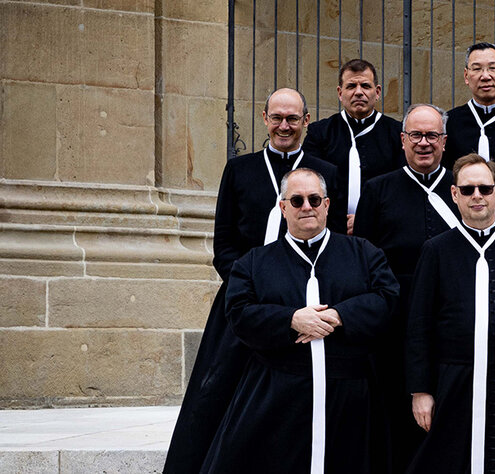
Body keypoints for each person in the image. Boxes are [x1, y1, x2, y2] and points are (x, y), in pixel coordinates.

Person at [168, 88, 342, 474]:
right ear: (264, 119)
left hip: (307, 302)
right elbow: (224, 244)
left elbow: (336, 242)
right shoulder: (240, 170)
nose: (284, 126)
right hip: (243, 301)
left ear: (306, 122)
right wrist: (252, 289)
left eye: (292, 119)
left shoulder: (325, 173)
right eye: (277, 117)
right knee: (217, 394)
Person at [200, 168, 401, 473]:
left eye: (314, 199)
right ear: (282, 207)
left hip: (349, 396)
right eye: (296, 200)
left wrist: (338, 315)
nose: (307, 206)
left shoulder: (363, 253)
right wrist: (291, 319)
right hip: (278, 396)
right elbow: (239, 313)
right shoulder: (254, 263)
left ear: (327, 204)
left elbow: (388, 298)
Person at [405, 155, 495, 473]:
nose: (477, 196)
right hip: (453, 381)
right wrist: (421, 390)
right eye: (468, 189)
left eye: (485, 189)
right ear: (455, 194)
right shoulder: (436, 249)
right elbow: (419, 323)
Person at [349, 103, 463, 467]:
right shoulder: (379, 189)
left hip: (452, 321)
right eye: (416, 135)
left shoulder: (463, 190)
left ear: (445, 142)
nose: (424, 143)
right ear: (402, 140)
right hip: (394, 323)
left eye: (432, 135)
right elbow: (362, 260)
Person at [305, 59, 405, 234]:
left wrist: (366, 218)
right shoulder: (320, 133)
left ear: (378, 91)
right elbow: (310, 183)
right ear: (340, 92)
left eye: (365, 86)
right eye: (351, 86)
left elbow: (400, 186)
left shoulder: (396, 133)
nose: (359, 92)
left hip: (382, 229)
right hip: (330, 229)